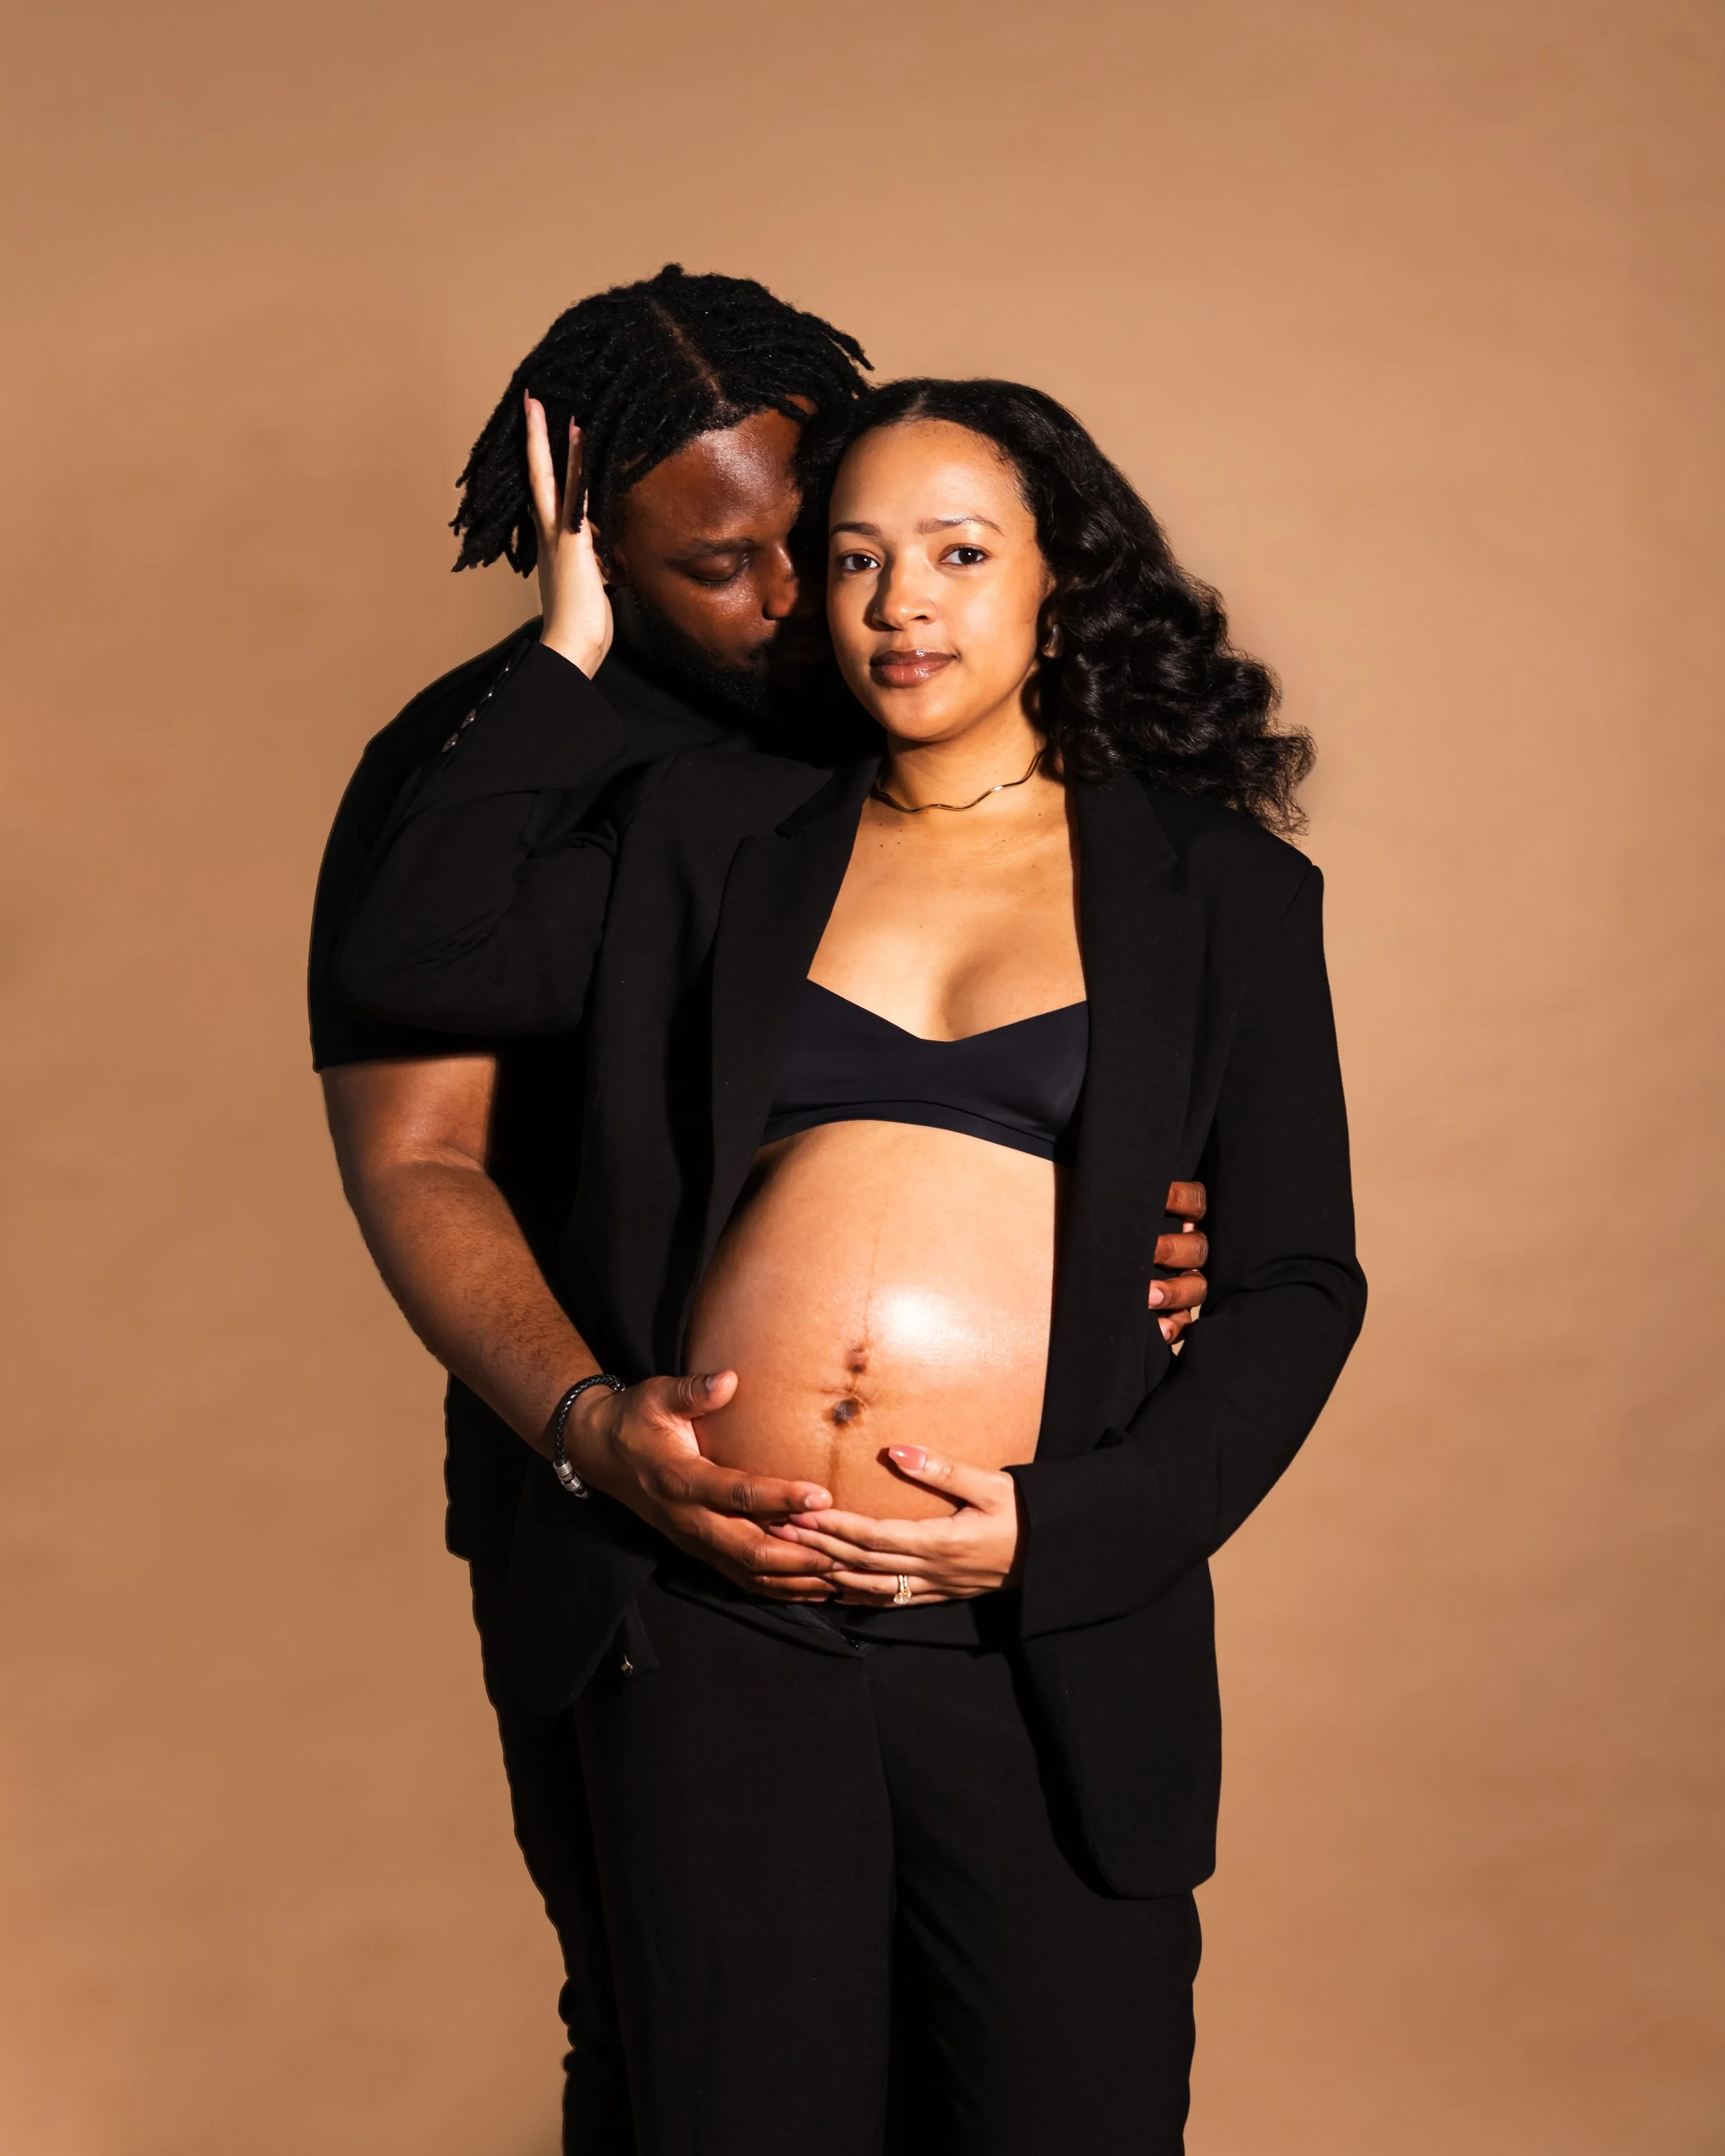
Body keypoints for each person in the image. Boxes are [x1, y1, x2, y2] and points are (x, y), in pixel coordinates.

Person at [333, 375, 1365, 2153]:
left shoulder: (1220, 895)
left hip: (1038, 1639)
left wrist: (1069, 1532)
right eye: (858, 558)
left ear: (1062, 581)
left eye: (962, 553)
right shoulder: (715, 833)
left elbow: (1297, 1283)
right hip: (718, 1618)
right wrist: (568, 641)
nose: (904, 603)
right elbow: (412, 949)